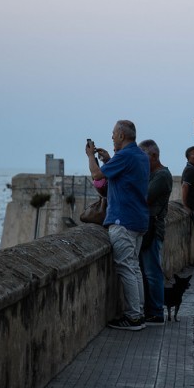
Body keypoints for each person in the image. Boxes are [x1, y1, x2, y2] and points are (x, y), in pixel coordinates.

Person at [86, 120, 150, 331]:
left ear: (122, 136)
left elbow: (97, 175)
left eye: (114, 133)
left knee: (125, 267)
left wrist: (90, 157)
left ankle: (133, 317)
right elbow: (124, 176)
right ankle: (139, 312)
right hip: (139, 219)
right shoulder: (140, 155)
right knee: (134, 267)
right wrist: (108, 159)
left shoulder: (125, 156)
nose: (112, 136)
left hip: (123, 220)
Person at [138, 139, 171, 326]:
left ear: (154, 156)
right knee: (145, 271)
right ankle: (150, 310)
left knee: (152, 271)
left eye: (144, 158)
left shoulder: (162, 176)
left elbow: (145, 198)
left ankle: (157, 311)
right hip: (146, 227)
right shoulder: (151, 174)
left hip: (154, 228)